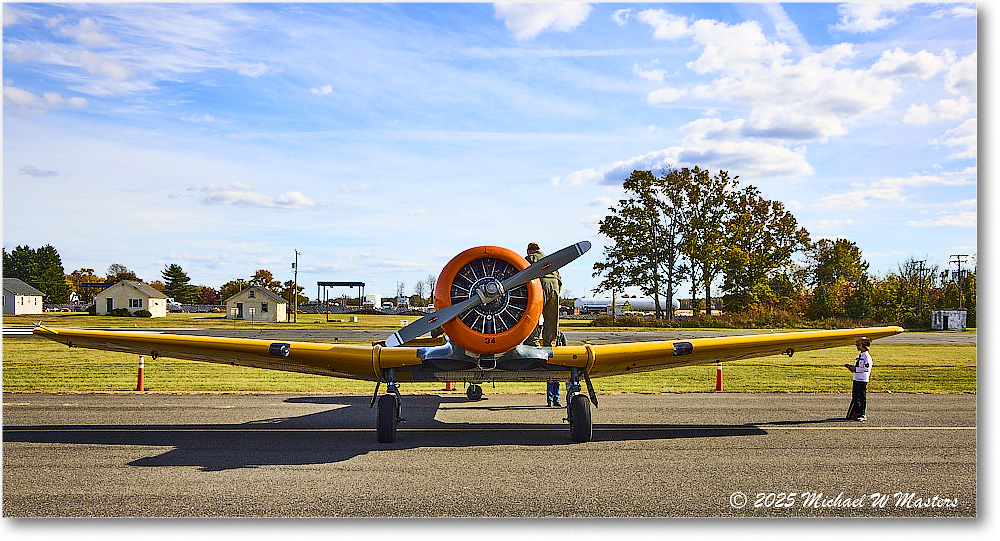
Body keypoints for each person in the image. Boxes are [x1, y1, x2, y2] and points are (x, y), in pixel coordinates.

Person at [527, 242, 563, 407]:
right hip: (554, 287)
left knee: (533, 316)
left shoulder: (529, 258)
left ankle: (533, 342)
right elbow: (560, 280)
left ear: (529, 250)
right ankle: (550, 344)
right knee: (551, 319)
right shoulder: (550, 259)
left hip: (538, 288)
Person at [845, 337, 872, 421]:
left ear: (864, 346)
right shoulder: (859, 356)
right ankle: (856, 413)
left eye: (859, 345)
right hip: (856, 378)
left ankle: (862, 414)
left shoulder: (867, 357)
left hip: (862, 379)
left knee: (862, 397)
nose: (857, 346)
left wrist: (856, 369)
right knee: (855, 397)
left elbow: (867, 369)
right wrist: (851, 368)